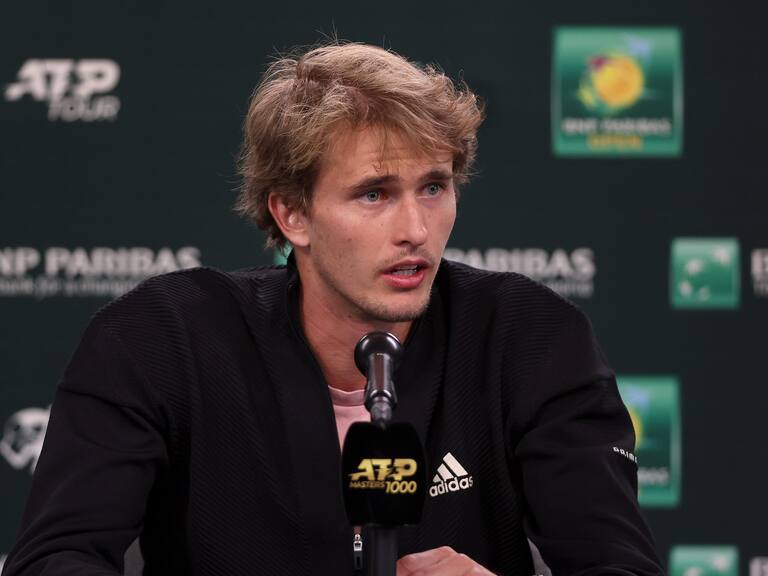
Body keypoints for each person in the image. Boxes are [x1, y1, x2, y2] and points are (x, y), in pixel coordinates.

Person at [3, 42, 663, 575]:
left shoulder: (529, 336)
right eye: (374, 194)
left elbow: (620, 565)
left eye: (434, 187)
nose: (415, 228)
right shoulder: (162, 338)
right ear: (292, 213)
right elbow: (54, 559)